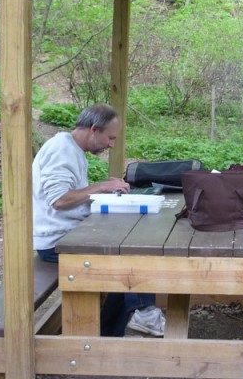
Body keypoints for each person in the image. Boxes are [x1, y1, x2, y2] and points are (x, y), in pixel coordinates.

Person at [32, 103, 165, 338]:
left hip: (71, 232)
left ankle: (109, 333)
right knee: (126, 253)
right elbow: (59, 200)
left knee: (128, 245)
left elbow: (72, 196)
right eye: (110, 138)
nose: (111, 144)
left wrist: (106, 193)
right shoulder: (61, 150)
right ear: (94, 129)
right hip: (56, 241)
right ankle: (144, 312)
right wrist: (102, 186)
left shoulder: (71, 149)